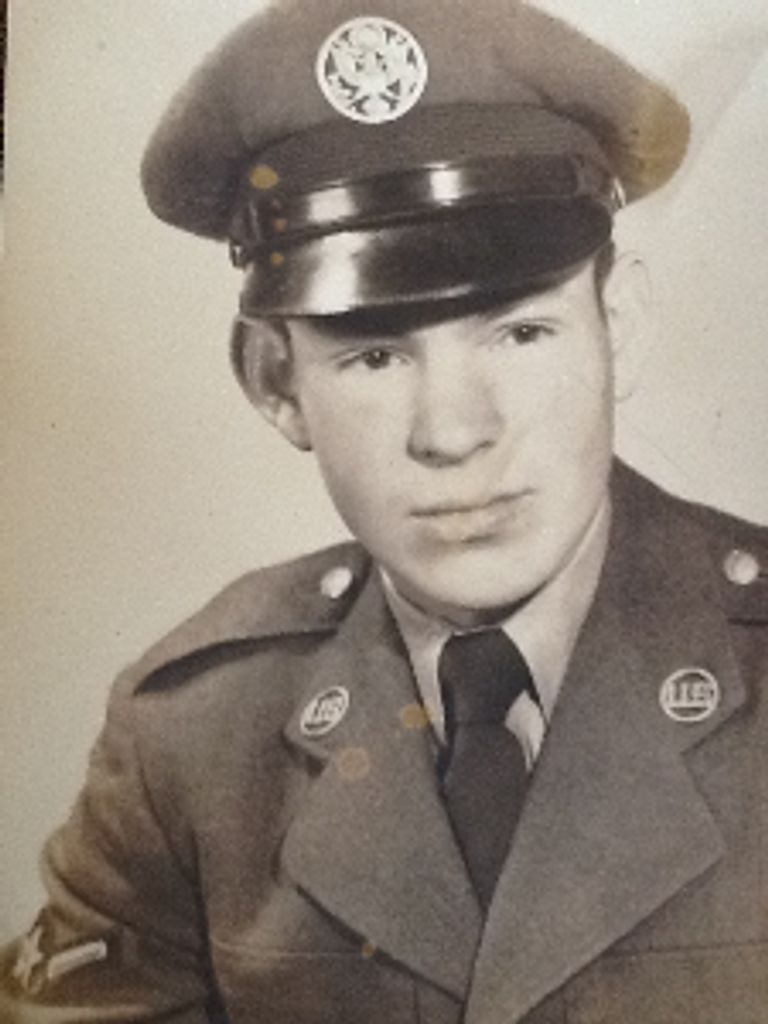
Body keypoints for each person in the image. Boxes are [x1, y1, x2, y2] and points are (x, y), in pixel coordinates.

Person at [2, 1, 767, 1021]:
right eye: (373, 355)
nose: (453, 431)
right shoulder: (191, 741)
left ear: (616, 327)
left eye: (521, 333)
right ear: (276, 385)